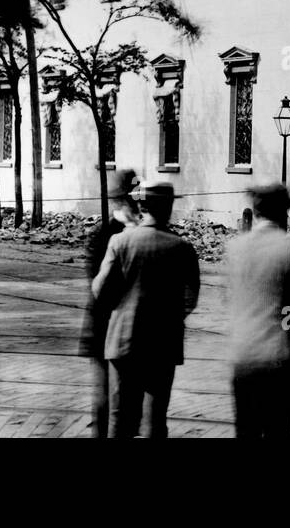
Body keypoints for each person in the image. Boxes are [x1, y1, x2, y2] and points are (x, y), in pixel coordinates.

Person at [92, 181, 199, 438]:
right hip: (163, 342)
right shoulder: (181, 247)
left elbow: (100, 290)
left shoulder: (120, 242)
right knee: (155, 418)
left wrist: (120, 308)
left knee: (120, 417)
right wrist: (169, 317)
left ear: (141, 206)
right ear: (169, 207)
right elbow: (190, 298)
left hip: (123, 340)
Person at [229, 184, 290, 438]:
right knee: (277, 429)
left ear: (257, 212)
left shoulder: (236, 248)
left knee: (246, 428)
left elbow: (230, 297)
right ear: (282, 214)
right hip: (279, 357)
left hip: (243, 353)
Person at [79, 168, 141, 438]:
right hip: (105, 330)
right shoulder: (105, 236)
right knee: (106, 401)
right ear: (120, 202)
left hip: (126, 332)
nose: (137, 207)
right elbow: (100, 288)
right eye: (132, 201)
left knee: (125, 402)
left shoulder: (136, 235)